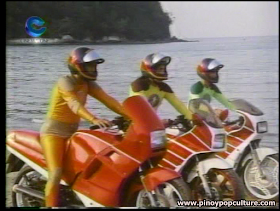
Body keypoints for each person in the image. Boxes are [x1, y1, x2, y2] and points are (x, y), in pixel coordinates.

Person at [40, 47, 128, 207]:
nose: (93, 69)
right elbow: (74, 104)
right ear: (77, 65)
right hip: (54, 133)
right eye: (89, 66)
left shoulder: (88, 84)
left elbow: (109, 100)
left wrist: (131, 115)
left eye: (94, 66)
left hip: (74, 131)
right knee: (56, 173)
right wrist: (93, 118)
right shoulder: (65, 81)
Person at [129, 53, 192, 125]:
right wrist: (160, 122)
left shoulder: (163, 88)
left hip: (152, 125)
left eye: (163, 69)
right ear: (150, 69)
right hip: (136, 124)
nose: (162, 71)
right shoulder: (138, 85)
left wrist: (193, 118)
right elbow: (141, 108)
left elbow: (179, 105)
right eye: (159, 69)